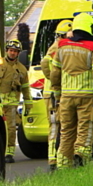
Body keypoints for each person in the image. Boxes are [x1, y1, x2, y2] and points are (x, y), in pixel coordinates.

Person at [50, 13, 93, 168]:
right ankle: (80, 157)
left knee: (66, 132)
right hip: (87, 97)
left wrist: (57, 93)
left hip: (66, 97)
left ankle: (63, 166)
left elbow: (55, 72)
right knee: (85, 130)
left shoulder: (62, 46)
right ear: (89, 27)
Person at [40, 19, 73, 172]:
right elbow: (44, 63)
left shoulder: (59, 46)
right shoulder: (58, 47)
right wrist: (54, 81)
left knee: (60, 125)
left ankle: (58, 158)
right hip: (53, 93)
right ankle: (53, 160)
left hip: (55, 91)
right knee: (55, 126)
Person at [0, 39, 31, 164]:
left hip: (11, 103)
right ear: (7, 51)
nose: (12, 53)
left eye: (15, 51)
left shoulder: (22, 69)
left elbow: (26, 87)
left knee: (10, 128)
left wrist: (28, 103)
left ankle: (9, 153)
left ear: (18, 53)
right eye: (11, 50)